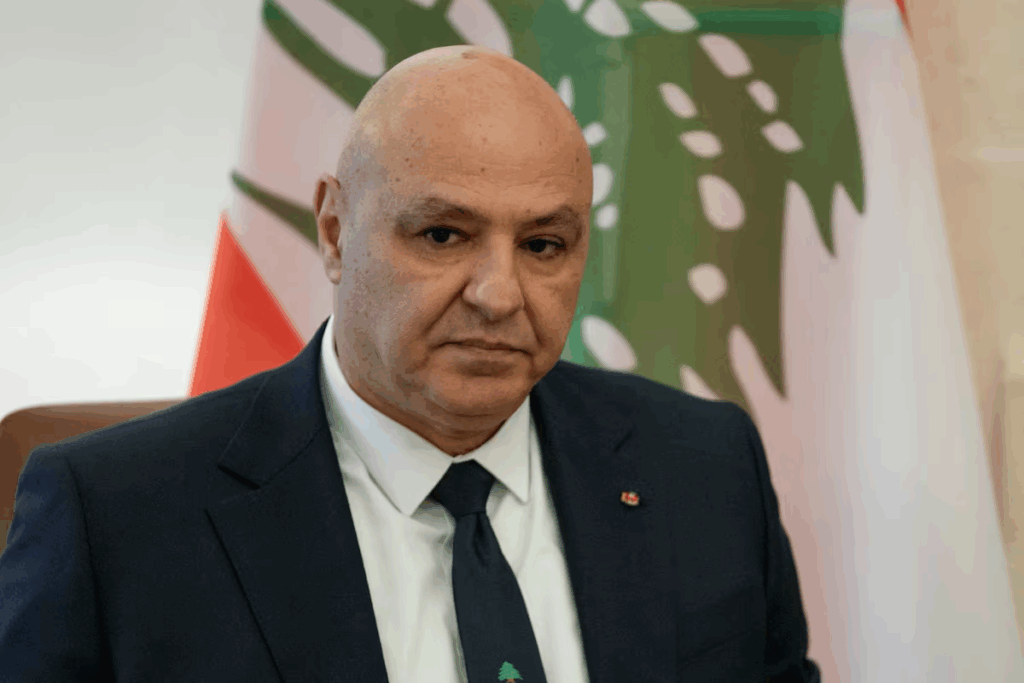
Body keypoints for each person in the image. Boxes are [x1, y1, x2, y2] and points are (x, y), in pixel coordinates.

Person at [0, 46, 820, 682]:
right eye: (443, 234)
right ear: (334, 231)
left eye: (543, 245)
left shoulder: (705, 468)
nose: (498, 294)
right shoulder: (114, 518)